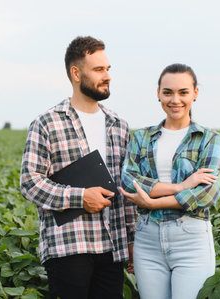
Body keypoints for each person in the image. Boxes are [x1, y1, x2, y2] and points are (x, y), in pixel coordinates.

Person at [20, 36, 136, 299]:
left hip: (113, 246)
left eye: (108, 69)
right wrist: (81, 197)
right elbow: (30, 182)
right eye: (98, 70)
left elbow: (126, 187)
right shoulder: (47, 122)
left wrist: (131, 239)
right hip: (69, 246)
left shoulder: (119, 124)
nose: (106, 76)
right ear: (76, 73)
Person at [120, 63, 220, 299]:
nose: (175, 100)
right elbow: (128, 180)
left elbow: (206, 194)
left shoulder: (209, 139)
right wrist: (181, 186)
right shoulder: (141, 137)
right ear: (158, 93)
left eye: (183, 92)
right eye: (168, 92)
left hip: (191, 238)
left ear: (195, 93)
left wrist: (152, 203)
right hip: (147, 239)